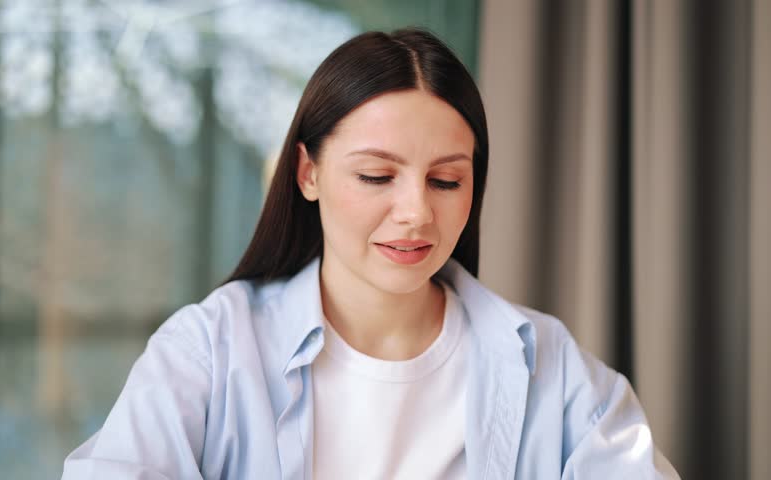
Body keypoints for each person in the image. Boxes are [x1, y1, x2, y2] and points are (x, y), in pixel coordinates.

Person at [61, 28, 679, 479]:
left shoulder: (553, 367)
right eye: (377, 177)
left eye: (446, 180)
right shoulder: (210, 350)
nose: (415, 212)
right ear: (308, 173)